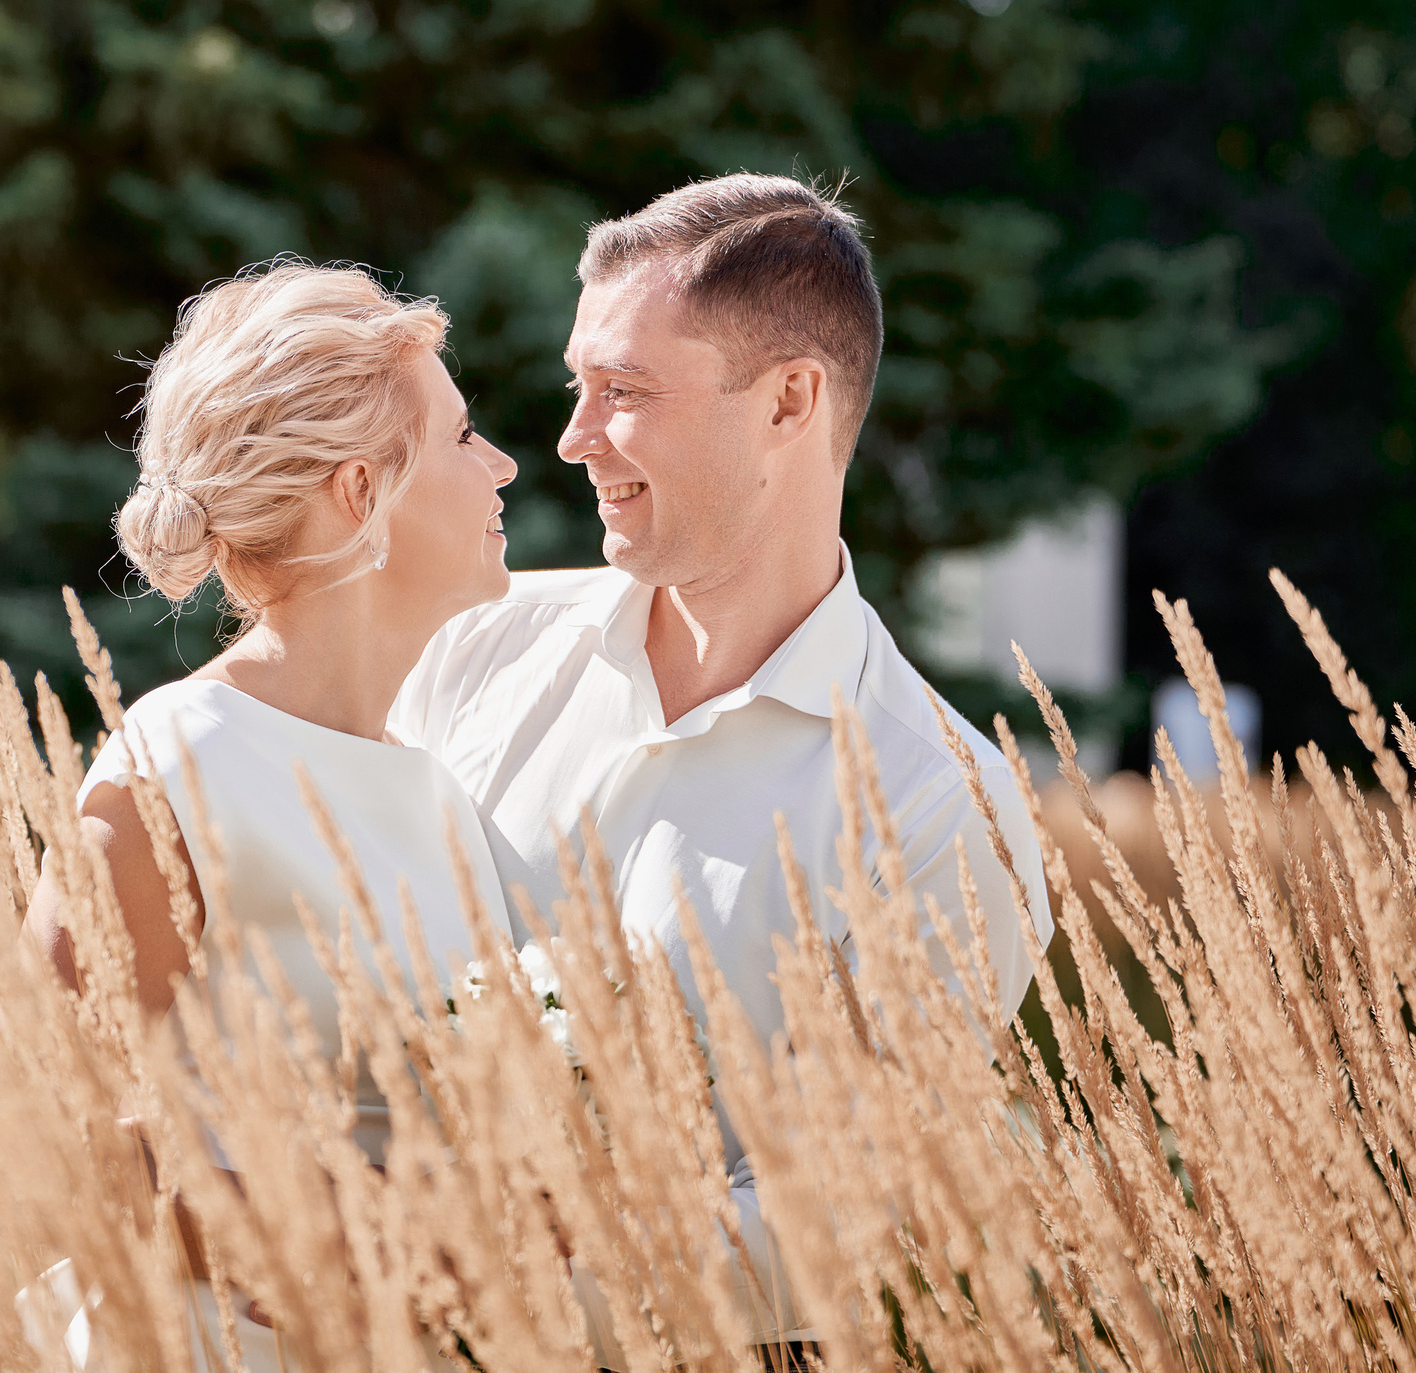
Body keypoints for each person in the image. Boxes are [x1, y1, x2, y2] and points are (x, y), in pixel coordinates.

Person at [390, 174, 1058, 1357]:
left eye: (624, 392)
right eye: (576, 386)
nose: (571, 436)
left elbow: (836, 1218)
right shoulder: (467, 648)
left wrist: (498, 1299)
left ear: (790, 401)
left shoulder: (939, 808)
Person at [17, 259, 519, 1371]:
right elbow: (42, 1141)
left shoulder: (436, 790)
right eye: (461, 436)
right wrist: (370, 1243)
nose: (503, 465)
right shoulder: (176, 767)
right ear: (359, 490)